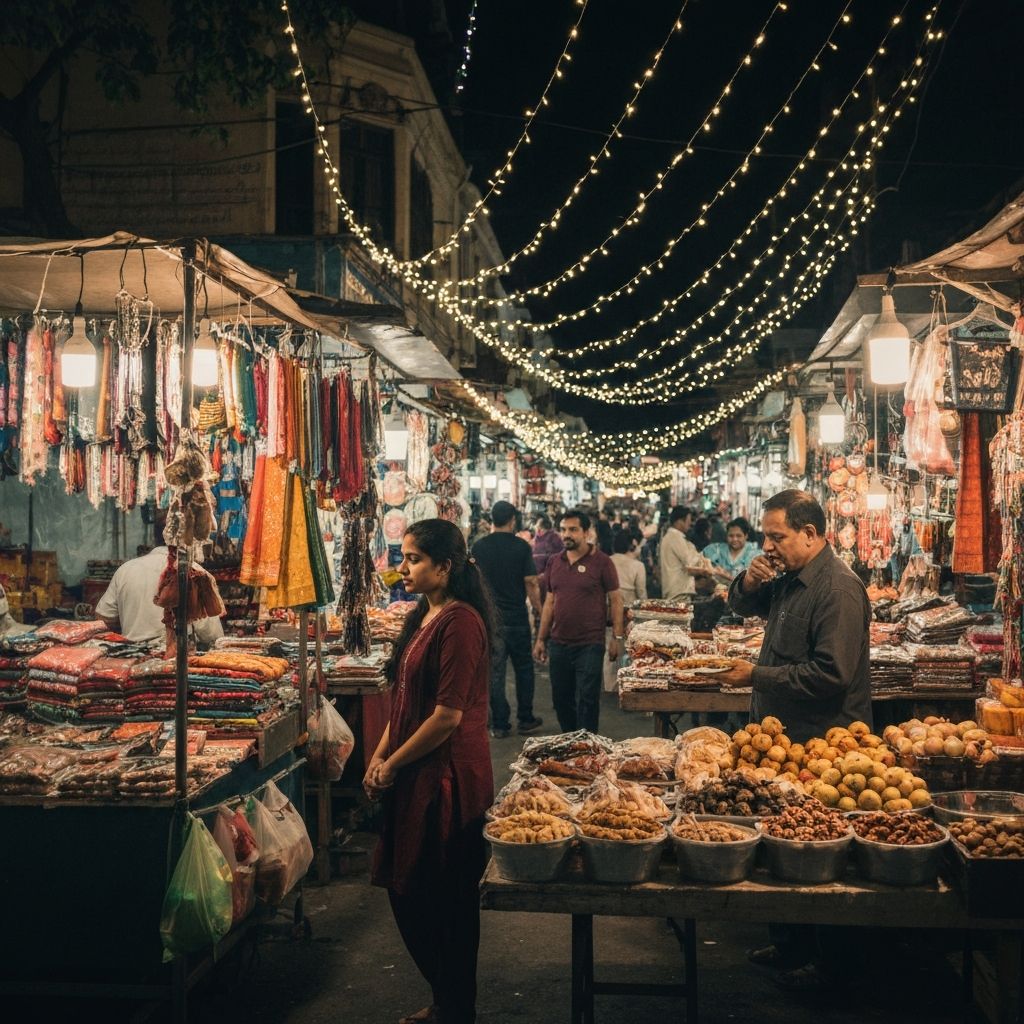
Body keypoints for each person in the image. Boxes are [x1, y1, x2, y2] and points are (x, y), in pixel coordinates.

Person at [716, 489, 871, 991]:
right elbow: (740, 607)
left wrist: (756, 677)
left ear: (810, 534)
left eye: (776, 536)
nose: (768, 545)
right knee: (788, 844)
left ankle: (834, 967)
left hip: (822, 744)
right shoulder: (788, 577)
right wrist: (747, 580)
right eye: (766, 536)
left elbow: (831, 674)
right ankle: (793, 944)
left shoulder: (838, 590)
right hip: (784, 739)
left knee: (821, 854)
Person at [365, 519, 495, 1024]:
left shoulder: (460, 622)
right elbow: (403, 703)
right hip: (414, 770)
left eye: (413, 558)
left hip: (447, 777)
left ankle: (455, 1007)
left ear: (445, 567)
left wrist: (391, 762)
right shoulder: (424, 612)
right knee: (409, 889)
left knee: (443, 899)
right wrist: (379, 756)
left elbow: (447, 715)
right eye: (403, 557)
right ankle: (447, 1001)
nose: (404, 567)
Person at [533, 509, 623, 732]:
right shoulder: (554, 562)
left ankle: (588, 747)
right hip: (560, 642)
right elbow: (549, 603)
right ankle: (569, 740)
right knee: (561, 699)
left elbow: (616, 600)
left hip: (590, 643)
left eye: (573, 530)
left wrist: (617, 638)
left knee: (588, 699)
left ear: (586, 532)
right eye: (563, 530)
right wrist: (540, 639)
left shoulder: (602, 562)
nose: (567, 535)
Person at [96, 509, 223, 647]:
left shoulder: (125, 570)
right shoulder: (195, 572)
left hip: (132, 657)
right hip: (175, 660)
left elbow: (103, 618)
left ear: (155, 536)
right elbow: (212, 635)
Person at [471, 500, 544, 739]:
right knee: (524, 668)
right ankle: (525, 718)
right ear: (513, 520)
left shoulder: (479, 547)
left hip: (490, 619)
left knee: (495, 671)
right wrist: (540, 610)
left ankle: (500, 723)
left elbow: (473, 582)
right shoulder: (521, 547)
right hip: (517, 618)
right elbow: (531, 582)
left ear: (492, 519)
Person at [604, 531, 647, 691]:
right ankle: (628, 688)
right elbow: (642, 595)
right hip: (630, 615)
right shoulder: (638, 566)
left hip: (607, 613)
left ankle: (609, 689)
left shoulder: (606, 561)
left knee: (610, 652)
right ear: (633, 544)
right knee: (630, 653)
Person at [659, 506, 713, 602]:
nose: (690, 524)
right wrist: (703, 563)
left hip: (676, 590)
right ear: (680, 521)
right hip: (678, 592)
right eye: (688, 521)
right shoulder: (675, 537)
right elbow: (690, 561)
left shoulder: (673, 537)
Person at [702, 517, 760, 582]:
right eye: (731, 536)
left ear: (746, 536)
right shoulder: (715, 549)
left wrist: (727, 576)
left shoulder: (755, 555)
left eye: (739, 536)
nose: (734, 539)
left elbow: (752, 583)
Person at [531, 515, 564, 579]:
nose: (535, 527)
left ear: (541, 528)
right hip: (536, 572)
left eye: (537, 525)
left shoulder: (554, 537)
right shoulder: (537, 537)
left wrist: (538, 557)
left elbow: (559, 554)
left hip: (549, 572)